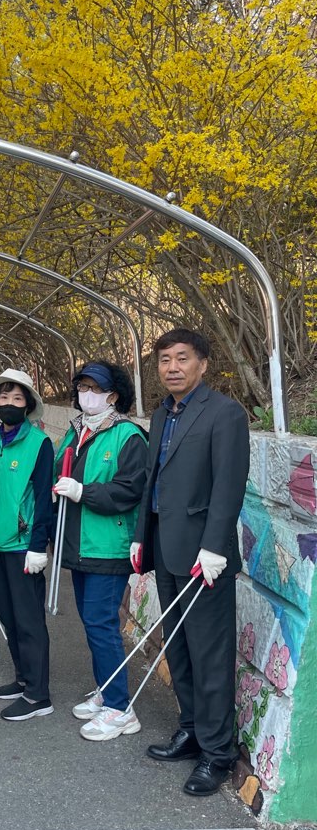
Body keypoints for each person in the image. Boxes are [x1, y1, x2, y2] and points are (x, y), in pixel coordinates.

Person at [132, 329, 249, 796]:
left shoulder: (225, 413)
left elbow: (229, 485)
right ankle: (192, 729)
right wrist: (142, 538)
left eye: (182, 358)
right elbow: (151, 482)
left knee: (209, 655)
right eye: (164, 360)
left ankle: (218, 753)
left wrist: (216, 546)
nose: (172, 367)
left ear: (203, 363)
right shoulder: (162, 413)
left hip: (205, 556)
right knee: (178, 648)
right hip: (166, 548)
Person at [53, 361, 147, 741]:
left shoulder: (128, 437)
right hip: (79, 545)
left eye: (95, 387)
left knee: (102, 625)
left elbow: (129, 490)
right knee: (93, 624)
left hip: (108, 546)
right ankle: (108, 690)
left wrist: (82, 491)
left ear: (113, 395)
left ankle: (120, 708)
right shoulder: (76, 432)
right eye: (82, 386)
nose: (86, 394)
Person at [0, 369, 55, 721]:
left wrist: (39, 546)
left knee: (29, 621)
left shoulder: (39, 444)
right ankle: (23, 678)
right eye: (4, 397)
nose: (9, 403)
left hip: (23, 546)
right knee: (9, 618)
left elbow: (44, 498)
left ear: (27, 405)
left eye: (17, 398)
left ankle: (39, 695)